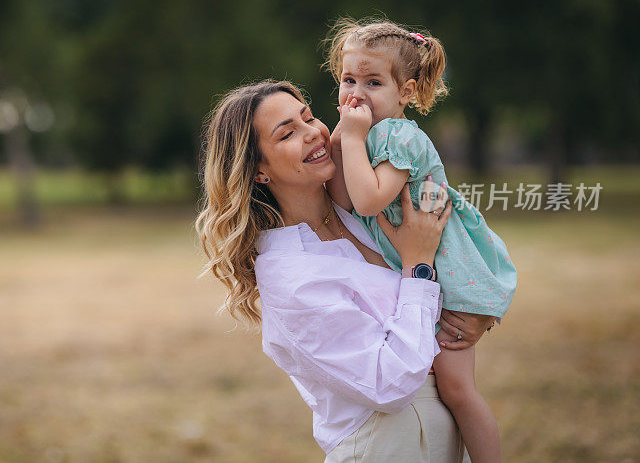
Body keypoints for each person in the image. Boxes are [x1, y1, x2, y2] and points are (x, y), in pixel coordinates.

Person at [196, 79, 495, 461]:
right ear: (258, 171)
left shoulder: (365, 210)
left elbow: (445, 280)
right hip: (383, 446)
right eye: (288, 133)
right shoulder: (288, 275)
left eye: (308, 117)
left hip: (448, 437)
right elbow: (390, 384)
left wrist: (475, 320)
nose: (312, 134)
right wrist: (417, 266)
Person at [324, 18, 518, 462]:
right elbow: (343, 199)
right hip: (421, 272)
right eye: (348, 79)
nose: (357, 92)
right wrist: (340, 141)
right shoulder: (361, 135)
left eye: (373, 82)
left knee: (456, 388)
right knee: (435, 382)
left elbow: (370, 201)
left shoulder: (400, 136)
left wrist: (351, 140)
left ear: (406, 92)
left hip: (451, 273)